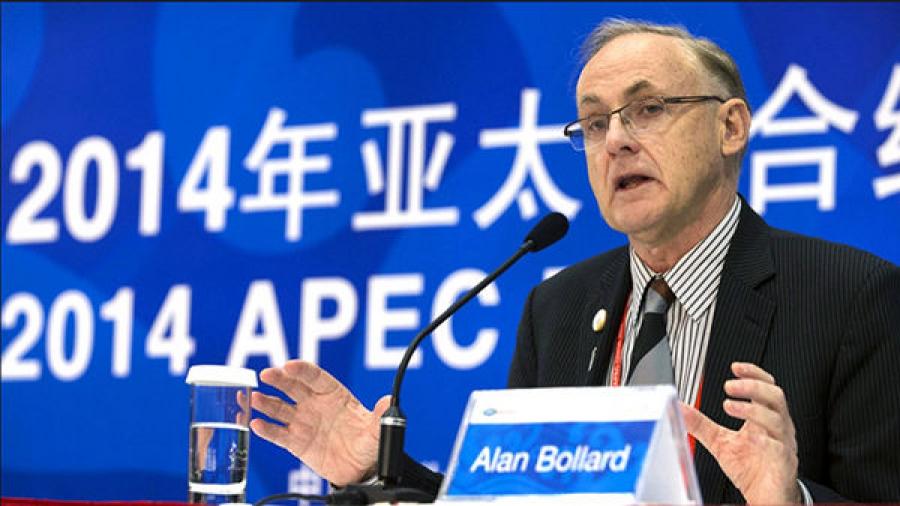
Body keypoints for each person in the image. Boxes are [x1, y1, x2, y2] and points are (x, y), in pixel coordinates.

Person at [249, 19, 900, 503]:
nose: (615, 140)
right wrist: (379, 471)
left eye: (648, 109)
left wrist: (791, 501)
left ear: (730, 127)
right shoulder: (557, 309)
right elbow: (517, 503)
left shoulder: (852, 297)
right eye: (593, 123)